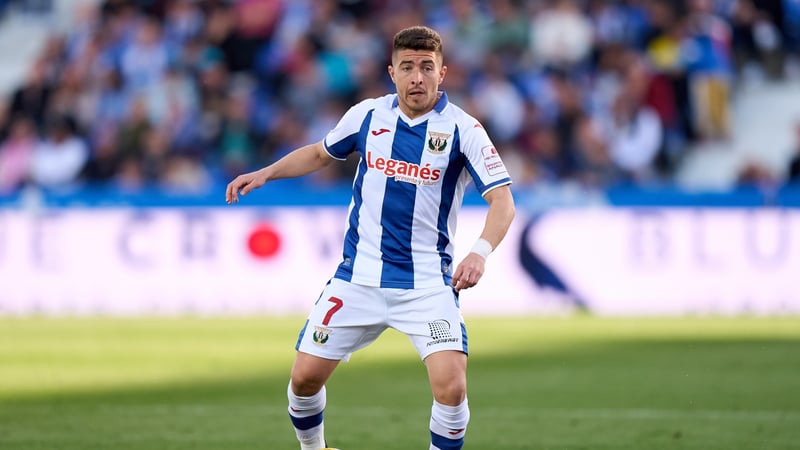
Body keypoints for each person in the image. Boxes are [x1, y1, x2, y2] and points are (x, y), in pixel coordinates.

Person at [225, 25, 515, 450]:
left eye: (427, 67)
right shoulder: (367, 115)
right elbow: (320, 153)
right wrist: (266, 173)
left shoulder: (463, 129)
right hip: (358, 278)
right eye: (407, 67)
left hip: (426, 284)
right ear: (392, 72)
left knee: (451, 387)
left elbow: (503, 201)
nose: (417, 77)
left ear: (442, 73)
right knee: (303, 379)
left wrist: (479, 253)